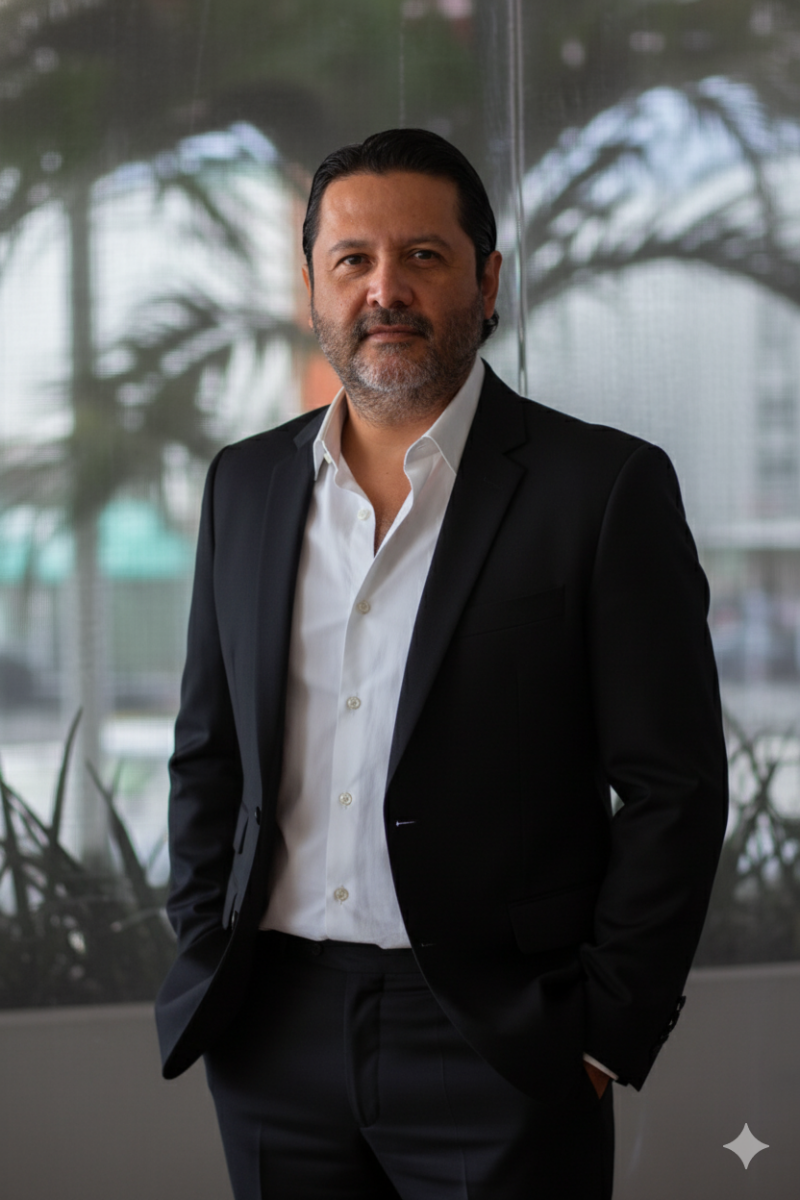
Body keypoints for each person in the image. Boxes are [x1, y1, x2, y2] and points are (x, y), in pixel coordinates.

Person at [155, 128, 728, 1199]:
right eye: (353, 261)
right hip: (270, 1031)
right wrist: (204, 939)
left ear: (486, 280)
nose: (385, 290)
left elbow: (674, 787)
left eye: (422, 256)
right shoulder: (245, 486)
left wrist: (605, 1030)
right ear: (313, 289)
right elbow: (208, 750)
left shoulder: (601, 489)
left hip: (501, 1040)